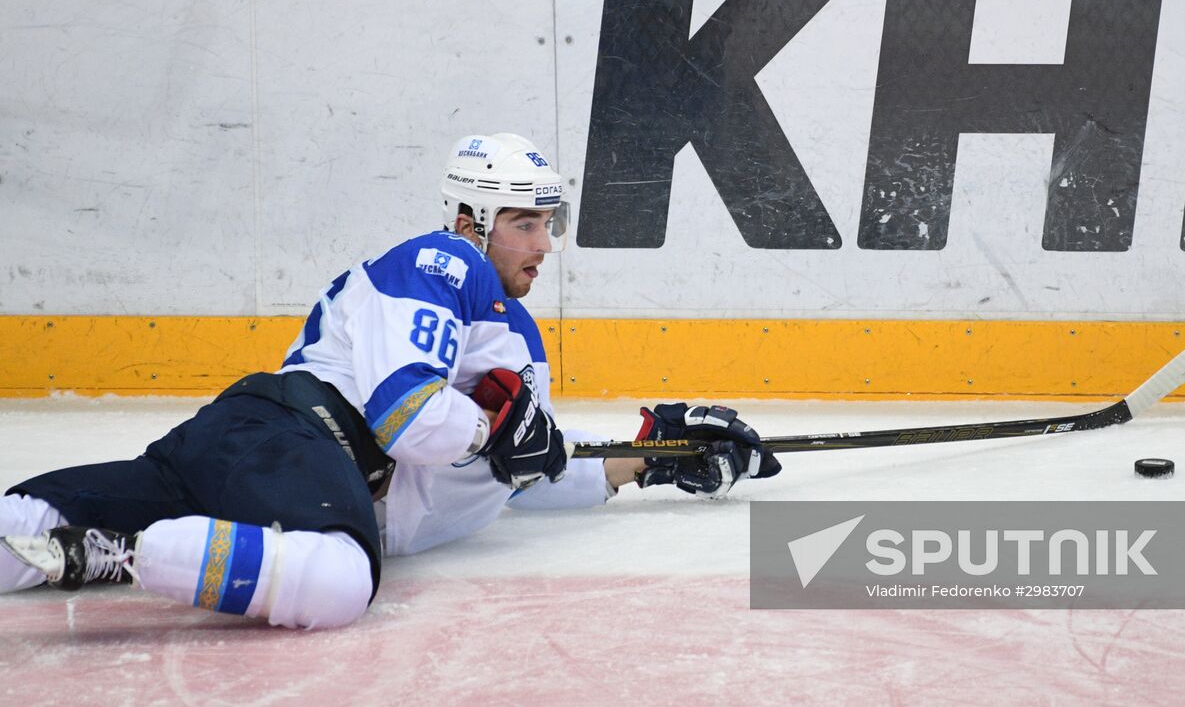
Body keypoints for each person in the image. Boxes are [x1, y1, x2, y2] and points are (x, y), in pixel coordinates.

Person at [0, 133, 779, 629]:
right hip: (296, 439)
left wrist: (647, 456)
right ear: (471, 222)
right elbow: (409, 416)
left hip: (260, 464)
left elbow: (511, 467)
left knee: (21, 529)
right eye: (525, 222)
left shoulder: (497, 324)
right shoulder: (443, 264)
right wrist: (493, 429)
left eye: (551, 222)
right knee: (340, 582)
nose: (544, 243)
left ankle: (102, 541)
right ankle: (131, 555)